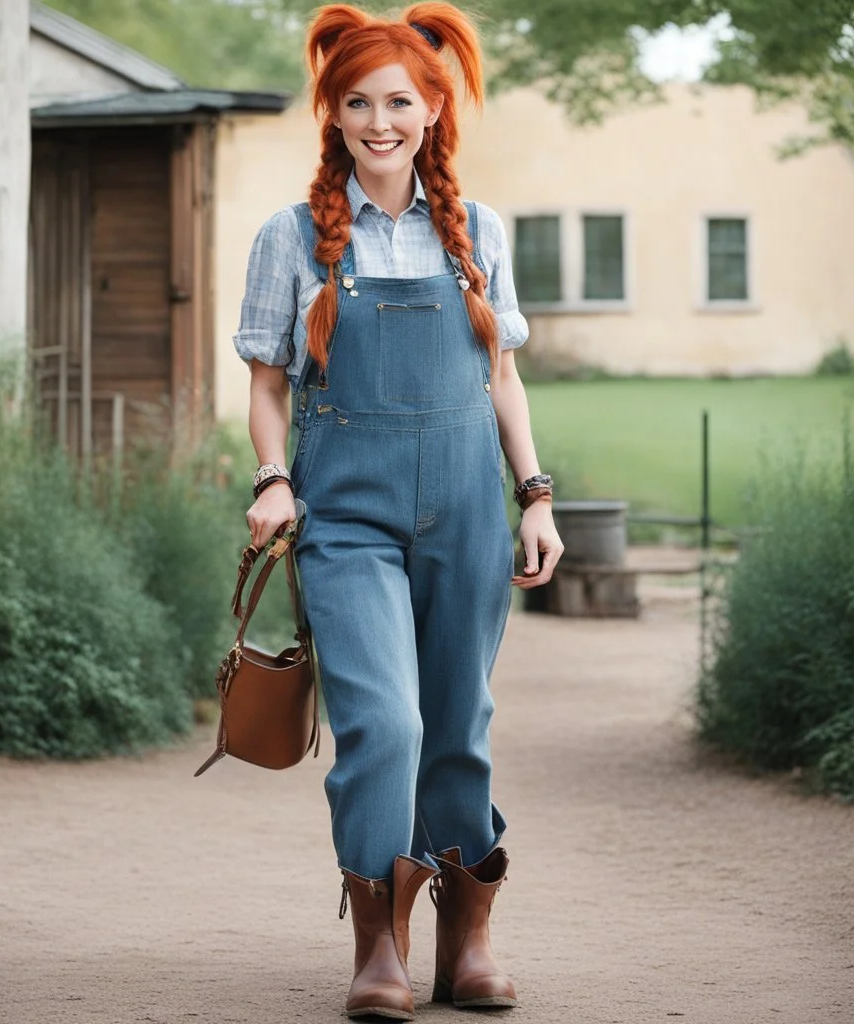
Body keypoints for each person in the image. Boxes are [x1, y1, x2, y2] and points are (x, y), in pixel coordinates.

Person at [233, 3, 564, 1018]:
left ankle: (467, 940)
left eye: (398, 103)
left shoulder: (479, 233)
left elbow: (502, 379)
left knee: (459, 719)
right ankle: (379, 944)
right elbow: (266, 386)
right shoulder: (290, 237)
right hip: (345, 515)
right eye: (356, 104)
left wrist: (535, 496)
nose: (378, 123)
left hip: (466, 509)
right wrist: (272, 477)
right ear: (332, 115)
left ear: (432, 112)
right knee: (385, 720)